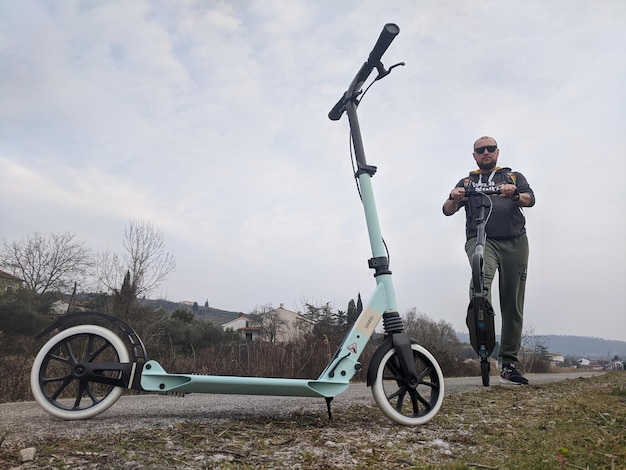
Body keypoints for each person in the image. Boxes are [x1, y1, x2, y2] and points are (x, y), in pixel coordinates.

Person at [443, 136, 535, 385]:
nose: (486, 152)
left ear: (497, 152)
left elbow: (530, 199)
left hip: (515, 241)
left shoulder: (513, 177)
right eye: (480, 150)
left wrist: (514, 194)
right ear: (474, 155)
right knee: (480, 286)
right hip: (481, 238)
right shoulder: (467, 181)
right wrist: (455, 196)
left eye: (490, 149)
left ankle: (508, 363)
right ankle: (483, 348)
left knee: (512, 302)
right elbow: (448, 208)